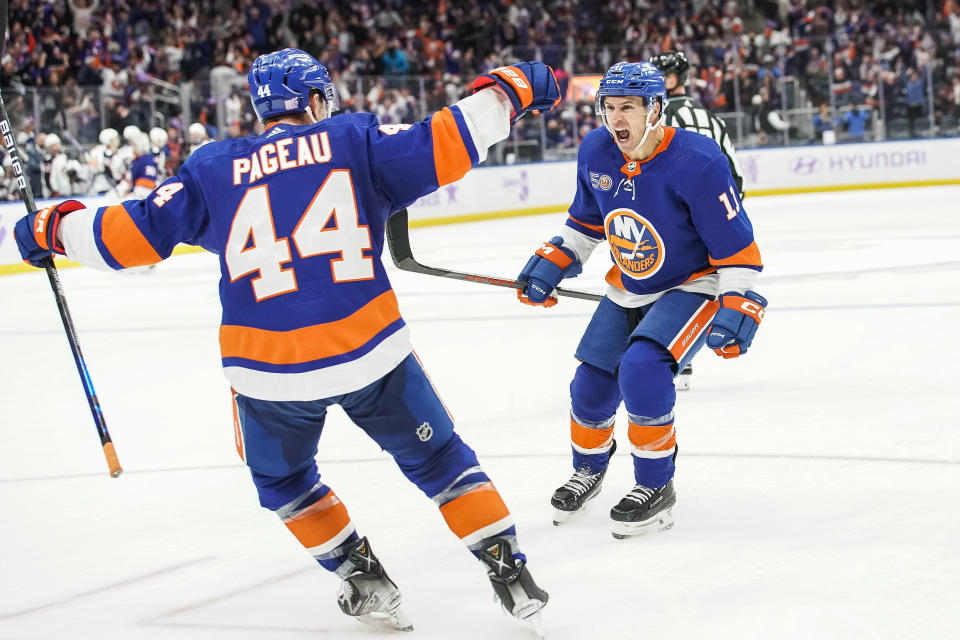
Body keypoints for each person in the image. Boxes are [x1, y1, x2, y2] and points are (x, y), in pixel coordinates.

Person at [15, 49, 561, 632]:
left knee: (282, 480)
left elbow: (129, 237)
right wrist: (514, 87)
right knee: (438, 458)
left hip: (268, 367)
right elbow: (448, 139)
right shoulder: (356, 139)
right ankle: (507, 569)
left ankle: (362, 575)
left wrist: (52, 227)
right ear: (317, 100)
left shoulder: (211, 168)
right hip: (369, 347)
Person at [514, 62, 766, 539]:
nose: (615, 118)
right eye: (608, 107)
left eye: (627, 106)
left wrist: (739, 301)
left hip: (693, 285)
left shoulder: (698, 159)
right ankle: (588, 470)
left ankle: (656, 486)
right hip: (629, 283)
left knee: (642, 369)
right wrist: (555, 258)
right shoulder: (596, 150)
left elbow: (737, 250)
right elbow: (587, 222)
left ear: (655, 108)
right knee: (590, 385)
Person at [650, 50, 746, 391]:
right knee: (697, 285)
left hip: (669, 218)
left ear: (673, 80)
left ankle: (670, 358)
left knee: (662, 283)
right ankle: (684, 353)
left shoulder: (656, 119)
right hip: (712, 220)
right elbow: (735, 176)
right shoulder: (712, 119)